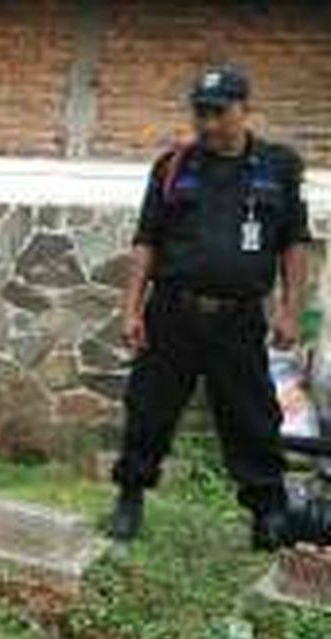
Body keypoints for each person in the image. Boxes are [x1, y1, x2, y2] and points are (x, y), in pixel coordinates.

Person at [110, 65, 312, 546]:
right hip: (173, 313)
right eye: (201, 113)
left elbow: (294, 242)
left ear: (245, 109)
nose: (208, 123)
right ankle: (130, 496)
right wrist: (131, 309)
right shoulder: (173, 166)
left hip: (239, 318)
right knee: (149, 410)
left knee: (252, 416)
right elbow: (147, 241)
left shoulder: (278, 167)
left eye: (219, 112)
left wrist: (290, 310)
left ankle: (268, 513)